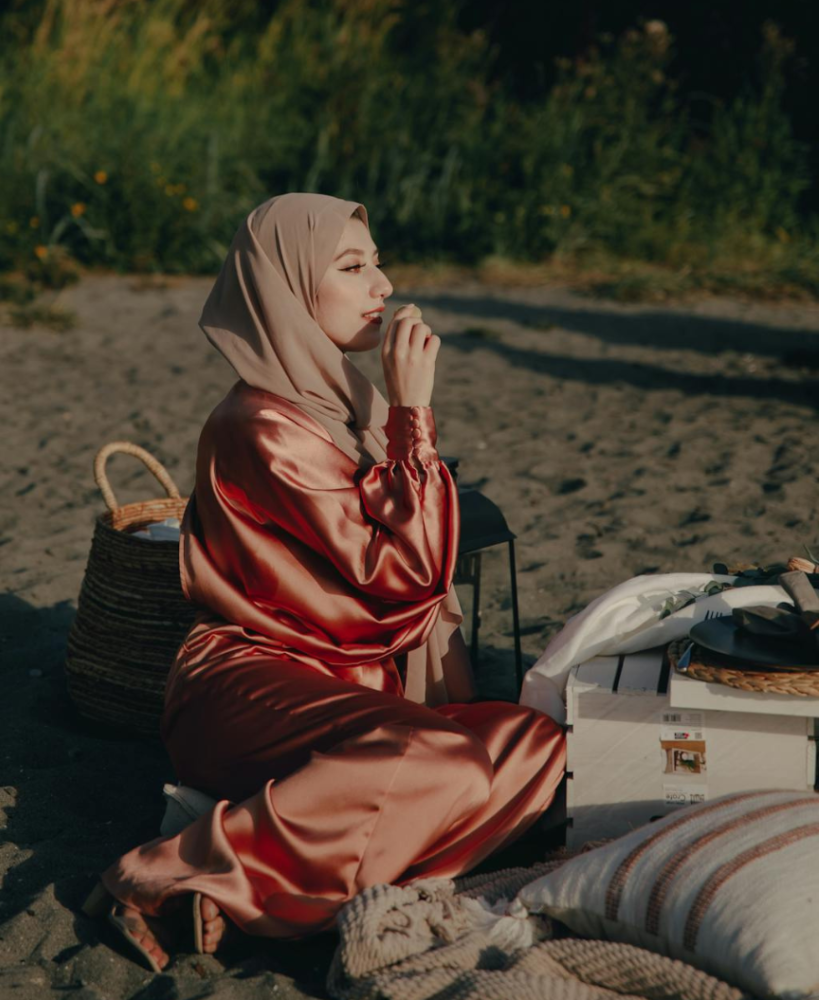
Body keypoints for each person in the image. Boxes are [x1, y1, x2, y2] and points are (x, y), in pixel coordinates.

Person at [81, 193, 566, 971]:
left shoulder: (345, 403)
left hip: (358, 679)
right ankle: (161, 878)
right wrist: (415, 411)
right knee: (445, 761)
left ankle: (305, 878)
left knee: (531, 743)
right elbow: (404, 579)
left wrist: (397, 418)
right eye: (351, 267)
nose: (383, 284)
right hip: (252, 682)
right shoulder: (259, 428)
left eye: (376, 262)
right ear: (288, 293)